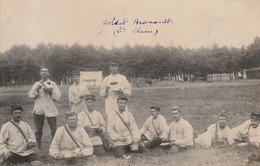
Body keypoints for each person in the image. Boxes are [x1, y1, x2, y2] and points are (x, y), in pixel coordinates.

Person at [28, 66, 61, 149]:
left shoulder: (50, 83)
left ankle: (55, 146)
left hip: (49, 107)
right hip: (39, 107)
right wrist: (36, 92)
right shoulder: (37, 84)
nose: (44, 73)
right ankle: (38, 146)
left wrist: (50, 92)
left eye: (46, 71)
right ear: (40, 73)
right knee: (38, 129)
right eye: (42, 71)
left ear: (48, 73)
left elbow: (57, 95)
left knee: (53, 129)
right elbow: (30, 95)